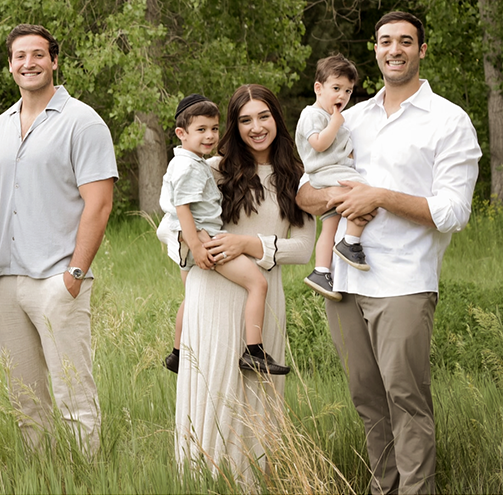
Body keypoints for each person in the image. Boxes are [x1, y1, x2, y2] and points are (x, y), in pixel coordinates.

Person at [297, 12, 481, 494]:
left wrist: (378, 196)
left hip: (403, 281)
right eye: (384, 41)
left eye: (405, 41)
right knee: (367, 401)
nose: (394, 49)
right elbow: (304, 192)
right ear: (375, 50)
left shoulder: (449, 120)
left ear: (422, 50)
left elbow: (453, 211)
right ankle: (385, 488)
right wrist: (337, 199)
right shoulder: (350, 116)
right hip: (343, 282)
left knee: (406, 400)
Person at [0, 24, 117, 454]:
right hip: (4, 282)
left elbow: (99, 204)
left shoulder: (83, 121)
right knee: (25, 398)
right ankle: (42, 472)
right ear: (10, 65)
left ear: (54, 61)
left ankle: (86, 475)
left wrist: (74, 274)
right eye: (20, 56)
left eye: (38, 55)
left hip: (57, 279)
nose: (29, 63)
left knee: (73, 392)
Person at [173, 84, 315, 486]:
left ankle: (255, 483)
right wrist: (192, 243)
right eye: (245, 119)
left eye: (264, 116)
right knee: (213, 390)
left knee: (258, 397)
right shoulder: (213, 167)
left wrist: (248, 244)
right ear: (234, 125)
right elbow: (176, 223)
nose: (256, 127)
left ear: (277, 118)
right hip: (212, 293)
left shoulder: (297, 178)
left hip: (263, 298)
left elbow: (303, 249)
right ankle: (203, 482)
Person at [158, 95, 288, 376]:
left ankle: (177, 353)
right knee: (257, 283)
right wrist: (198, 244)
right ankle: (254, 350)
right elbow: (181, 209)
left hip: (194, 243)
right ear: (181, 133)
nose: (210, 136)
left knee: (189, 297)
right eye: (201, 129)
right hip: (206, 243)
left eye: (214, 129)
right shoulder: (191, 167)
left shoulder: (187, 162)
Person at [297, 54, 372, 301]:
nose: (342, 96)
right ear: (319, 88)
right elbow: (318, 144)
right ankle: (350, 242)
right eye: (336, 88)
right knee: (364, 192)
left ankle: (321, 271)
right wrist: (336, 122)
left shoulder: (333, 118)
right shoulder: (313, 115)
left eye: (348, 91)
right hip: (326, 173)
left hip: (329, 172)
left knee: (329, 225)